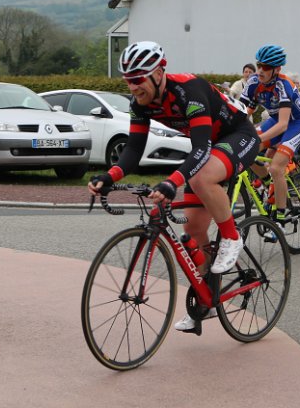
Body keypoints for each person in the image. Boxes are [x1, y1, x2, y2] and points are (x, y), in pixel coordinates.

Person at [88, 41, 260, 332]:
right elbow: (133, 150)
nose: (133, 87)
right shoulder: (139, 104)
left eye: (138, 79)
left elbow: (201, 149)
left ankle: (232, 237)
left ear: (158, 73)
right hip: (209, 148)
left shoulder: (188, 91)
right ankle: (206, 300)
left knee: (200, 177)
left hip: (238, 135)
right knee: (193, 231)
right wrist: (109, 176)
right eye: (128, 80)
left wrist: (171, 182)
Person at [239, 45, 300, 224]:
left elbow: (283, 125)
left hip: (297, 122)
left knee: (276, 168)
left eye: (266, 67)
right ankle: (267, 182)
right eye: (259, 65)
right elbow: (241, 112)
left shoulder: (283, 85)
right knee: (245, 150)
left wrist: (258, 138)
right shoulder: (253, 82)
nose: (260, 70)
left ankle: (280, 216)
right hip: (275, 118)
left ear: (277, 70)